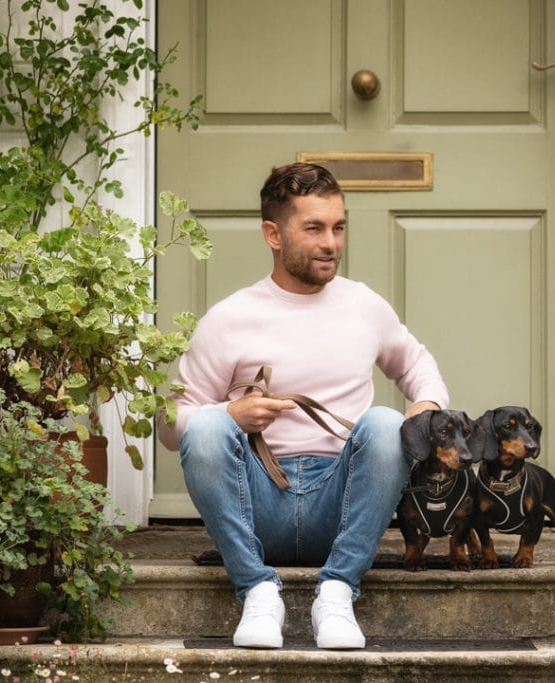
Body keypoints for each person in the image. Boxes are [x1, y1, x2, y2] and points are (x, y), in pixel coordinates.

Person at [158, 162, 449, 650]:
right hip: (257, 506)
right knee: (206, 428)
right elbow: (171, 429)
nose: (331, 243)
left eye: (338, 227)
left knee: (385, 423)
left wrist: (428, 404)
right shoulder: (230, 318)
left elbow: (416, 364)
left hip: (343, 505)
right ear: (273, 233)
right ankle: (256, 590)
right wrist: (230, 417)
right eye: (313, 228)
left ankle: (336, 591)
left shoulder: (363, 305)